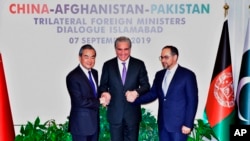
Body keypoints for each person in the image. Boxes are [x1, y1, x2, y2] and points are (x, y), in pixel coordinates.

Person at [127, 45, 199, 141]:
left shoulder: (187, 75)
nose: (163, 60)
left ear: (175, 57)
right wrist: (134, 99)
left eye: (166, 57)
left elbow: (192, 101)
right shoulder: (159, 75)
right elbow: (152, 94)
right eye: (161, 57)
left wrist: (188, 123)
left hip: (180, 126)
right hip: (163, 125)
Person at [99, 36, 150, 141]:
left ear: (130, 49)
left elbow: (146, 86)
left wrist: (136, 92)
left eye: (126, 49)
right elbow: (102, 86)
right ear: (115, 49)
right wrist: (105, 93)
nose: (123, 52)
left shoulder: (139, 64)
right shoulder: (108, 65)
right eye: (120, 49)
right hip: (115, 115)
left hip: (132, 115)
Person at [66, 44, 101, 141]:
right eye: (86, 57)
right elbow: (79, 101)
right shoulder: (72, 76)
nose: (90, 60)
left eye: (93, 57)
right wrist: (99, 101)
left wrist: (105, 94)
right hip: (80, 126)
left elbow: (94, 92)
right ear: (79, 57)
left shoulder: (95, 73)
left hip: (94, 126)